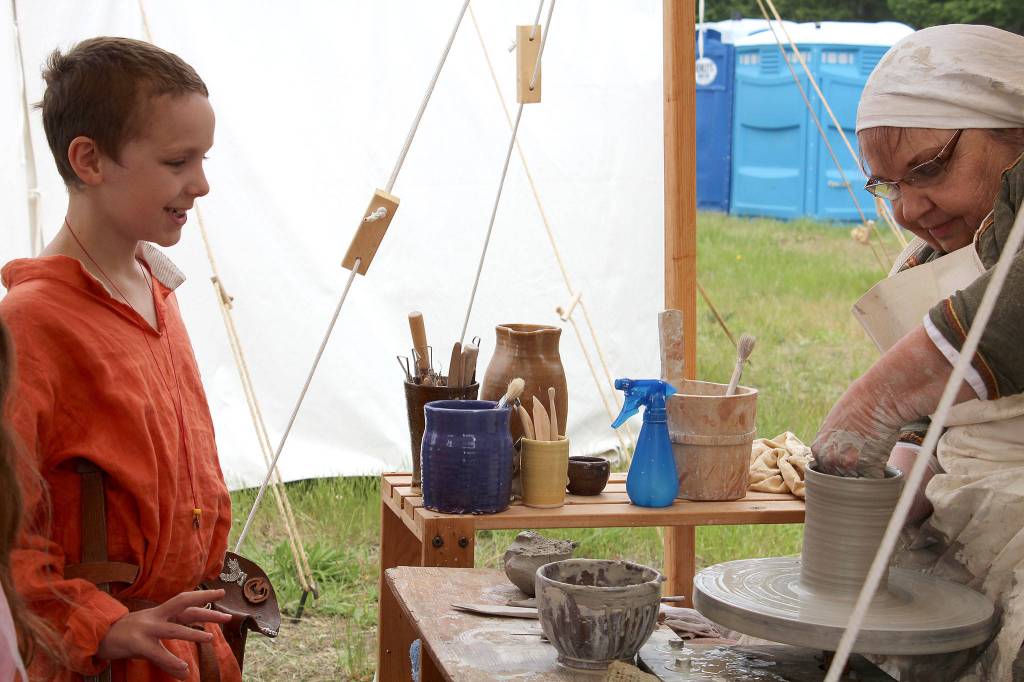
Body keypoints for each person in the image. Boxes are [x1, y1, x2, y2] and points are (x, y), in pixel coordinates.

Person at [0, 37, 238, 681]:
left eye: (203, 158)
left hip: (182, 650)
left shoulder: (155, 288)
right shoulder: (32, 325)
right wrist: (100, 624)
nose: (202, 183)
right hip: (103, 662)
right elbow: (5, 539)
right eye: (176, 161)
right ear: (90, 159)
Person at [812, 25, 1024, 681]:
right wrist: (906, 467)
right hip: (979, 533)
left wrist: (878, 400)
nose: (909, 207)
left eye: (928, 170)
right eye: (887, 186)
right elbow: (944, 418)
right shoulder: (941, 250)